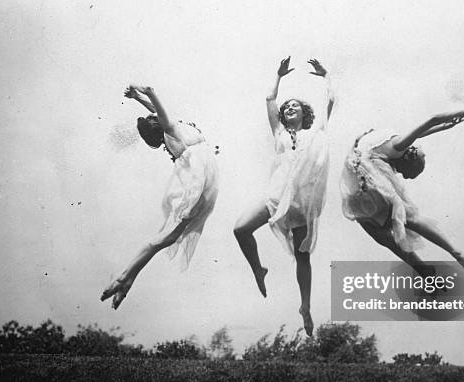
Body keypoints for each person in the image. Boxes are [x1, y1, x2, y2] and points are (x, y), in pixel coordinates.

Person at [233, 57, 335, 336]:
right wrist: (278, 75)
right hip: (276, 196)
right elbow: (269, 99)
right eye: (287, 106)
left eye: (295, 106)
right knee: (240, 229)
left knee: (303, 258)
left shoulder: (316, 132)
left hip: (301, 203)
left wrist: (326, 76)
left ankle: (305, 307)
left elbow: (330, 102)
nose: (289, 108)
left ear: (304, 114)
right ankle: (258, 269)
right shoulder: (278, 131)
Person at [101, 84, 219, 309]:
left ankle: (127, 278)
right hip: (199, 178)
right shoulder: (171, 129)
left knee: (170, 237)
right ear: (157, 124)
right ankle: (125, 276)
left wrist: (137, 99)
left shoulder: (174, 131)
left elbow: (156, 111)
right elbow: (156, 102)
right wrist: (144, 91)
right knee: (168, 236)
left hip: (202, 176)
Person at [340, 111, 464, 280]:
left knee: (382, 235)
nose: (400, 175)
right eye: (403, 171)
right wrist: (456, 115)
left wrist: (444, 127)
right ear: (406, 160)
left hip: (355, 188)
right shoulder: (397, 144)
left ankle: (425, 271)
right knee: (408, 219)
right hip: (368, 180)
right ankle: (458, 254)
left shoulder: (394, 143)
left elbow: (418, 134)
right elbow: (431, 119)